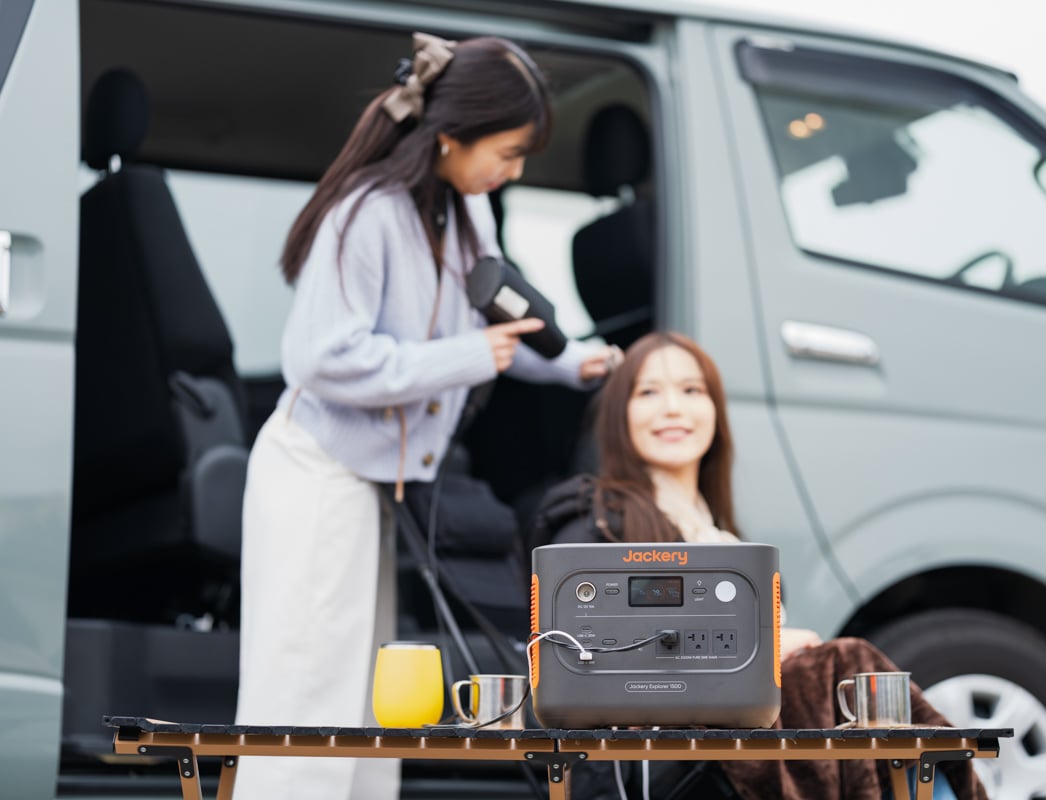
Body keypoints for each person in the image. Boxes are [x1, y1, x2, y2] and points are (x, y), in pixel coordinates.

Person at [234, 33, 617, 800]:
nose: (513, 171)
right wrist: (467, 356)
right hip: (317, 477)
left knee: (368, 707)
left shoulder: (466, 211)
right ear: (453, 135)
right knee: (308, 699)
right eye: (508, 153)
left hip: (367, 484)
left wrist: (573, 361)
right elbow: (322, 359)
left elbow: (494, 330)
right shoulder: (366, 214)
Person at [533, 332, 988, 800]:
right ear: (619, 414)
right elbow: (578, 655)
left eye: (691, 390)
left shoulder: (727, 540)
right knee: (849, 665)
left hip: (745, 749)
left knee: (861, 696)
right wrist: (763, 649)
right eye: (648, 392)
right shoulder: (595, 520)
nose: (672, 408)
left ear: (715, 410)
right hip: (662, 758)